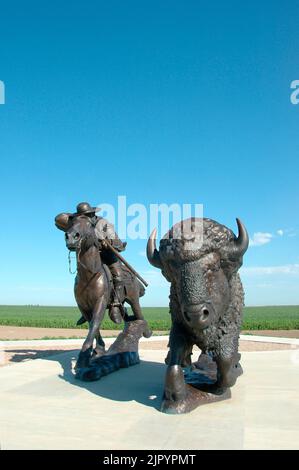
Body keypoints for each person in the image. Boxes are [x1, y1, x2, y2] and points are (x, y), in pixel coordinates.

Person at [58, 202, 127, 325]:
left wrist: (108, 243)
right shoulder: (78, 223)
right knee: (81, 277)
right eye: (81, 215)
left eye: (86, 215)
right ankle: (85, 309)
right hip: (89, 257)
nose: (85, 217)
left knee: (118, 275)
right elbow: (59, 219)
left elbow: (116, 241)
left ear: (92, 213)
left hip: (105, 254)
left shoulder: (104, 223)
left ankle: (115, 305)